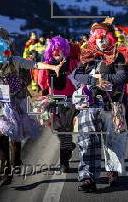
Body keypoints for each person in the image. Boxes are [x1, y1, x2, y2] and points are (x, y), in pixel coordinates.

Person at [0, 33, 64, 186]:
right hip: (0, 105)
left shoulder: (13, 61)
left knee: (16, 134)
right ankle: (5, 173)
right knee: (1, 137)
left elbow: (34, 65)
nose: (7, 53)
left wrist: (53, 66)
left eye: (7, 51)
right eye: (4, 52)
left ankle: (16, 162)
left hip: (18, 101)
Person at [73, 18, 128, 192]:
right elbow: (76, 75)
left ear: (110, 37)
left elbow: (123, 77)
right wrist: (92, 80)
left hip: (112, 105)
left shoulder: (117, 56)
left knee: (113, 141)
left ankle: (112, 172)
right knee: (87, 140)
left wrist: (103, 79)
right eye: (96, 36)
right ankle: (87, 177)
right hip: (89, 105)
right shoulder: (87, 54)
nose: (100, 39)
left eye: (103, 36)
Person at [37, 36, 79, 173]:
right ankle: (68, 146)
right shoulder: (47, 65)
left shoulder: (72, 63)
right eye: (53, 50)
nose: (56, 52)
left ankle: (64, 162)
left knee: (66, 131)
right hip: (54, 100)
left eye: (59, 50)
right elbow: (42, 84)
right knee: (56, 128)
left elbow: (79, 80)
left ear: (64, 51)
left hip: (69, 100)